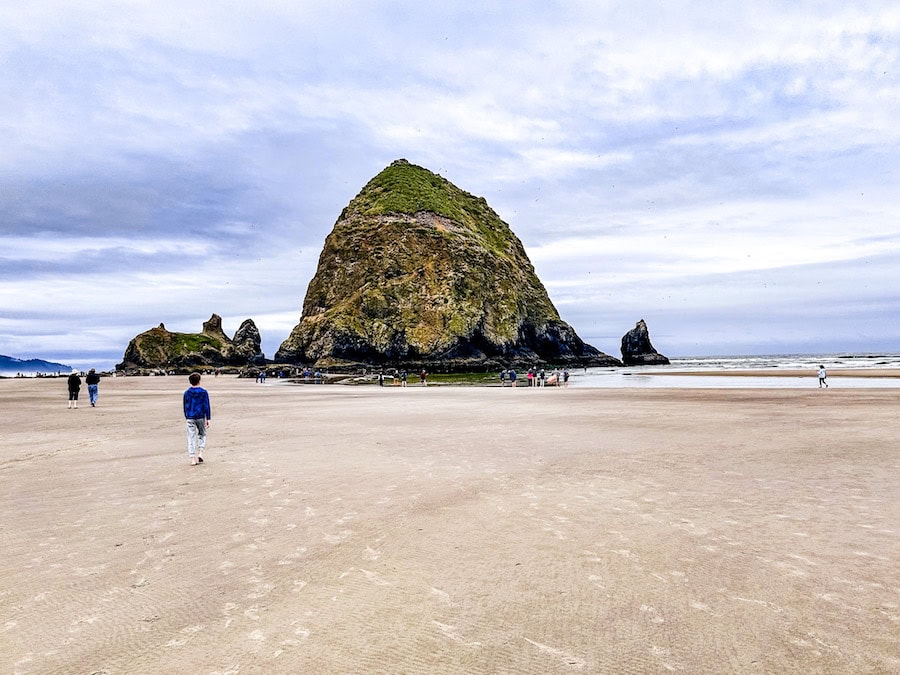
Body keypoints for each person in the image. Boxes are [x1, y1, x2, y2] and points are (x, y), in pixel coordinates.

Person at [183, 372, 211, 466]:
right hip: (200, 416)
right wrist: (208, 418)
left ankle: (192, 459)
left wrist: (186, 416)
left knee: (191, 438)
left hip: (190, 416)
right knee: (202, 434)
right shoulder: (203, 392)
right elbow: (206, 405)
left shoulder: (186, 393)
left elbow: (184, 406)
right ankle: (200, 452)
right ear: (199, 381)